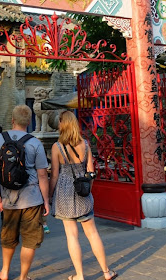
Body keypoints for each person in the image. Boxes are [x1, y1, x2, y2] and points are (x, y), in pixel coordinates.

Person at [49, 111, 117, 280]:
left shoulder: (57, 147)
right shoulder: (85, 144)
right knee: (93, 233)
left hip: (64, 192)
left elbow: (55, 175)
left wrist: (49, 195)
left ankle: (79, 275)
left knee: (72, 235)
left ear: (62, 125)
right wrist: (88, 190)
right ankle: (106, 271)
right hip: (83, 191)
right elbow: (91, 172)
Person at [0, 105, 50, 280]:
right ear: (29, 121)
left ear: (12, 120)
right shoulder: (35, 142)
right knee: (30, 240)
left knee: (8, 236)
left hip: (8, 199)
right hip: (31, 199)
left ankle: (5, 272)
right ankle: (23, 277)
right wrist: (46, 200)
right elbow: (43, 174)